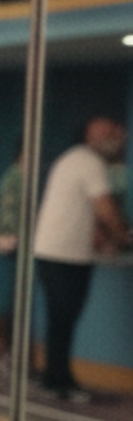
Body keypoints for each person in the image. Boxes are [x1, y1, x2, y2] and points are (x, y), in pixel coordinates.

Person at [34, 116, 129, 405]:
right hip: (66, 255)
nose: (116, 139)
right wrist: (123, 236)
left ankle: (55, 379)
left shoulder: (71, 159)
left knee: (59, 321)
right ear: (92, 137)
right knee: (64, 320)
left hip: (53, 252)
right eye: (110, 133)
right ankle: (59, 382)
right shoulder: (90, 164)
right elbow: (105, 207)